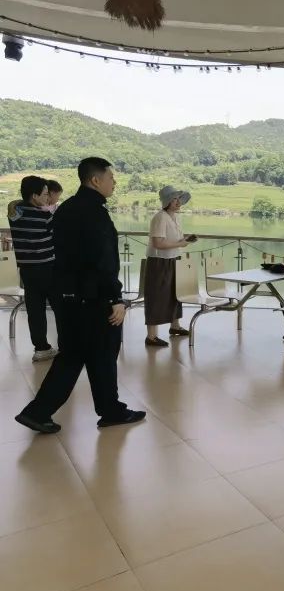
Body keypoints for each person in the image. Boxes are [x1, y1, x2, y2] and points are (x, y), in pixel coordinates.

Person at [15, 157, 146, 434]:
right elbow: (103, 261)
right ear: (95, 180)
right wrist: (115, 298)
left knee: (75, 355)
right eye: (111, 178)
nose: (114, 182)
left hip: (68, 297)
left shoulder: (66, 209)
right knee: (103, 352)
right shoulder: (94, 213)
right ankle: (106, 410)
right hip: (92, 298)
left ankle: (41, 412)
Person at [7, 175, 63, 361]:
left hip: (27, 271)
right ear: (34, 196)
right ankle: (66, 346)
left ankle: (41, 348)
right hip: (48, 268)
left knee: (35, 310)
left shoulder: (14, 214)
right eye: (45, 194)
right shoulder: (45, 216)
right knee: (61, 308)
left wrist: (20, 202)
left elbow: (15, 204)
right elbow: (58, 238)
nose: (48, 198)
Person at [144, 186, 194, 347]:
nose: (178, 202)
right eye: (174, 199)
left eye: (179, 199)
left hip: (174, 258)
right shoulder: (160, 217)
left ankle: (175, 326)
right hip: (159, 261)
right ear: (166, 202)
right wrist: (181, 243)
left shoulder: (175, 217)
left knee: (175, 294)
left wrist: (184, 240)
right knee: (156, 296)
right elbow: (158, 243)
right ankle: (151, 336)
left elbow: (172, 239)